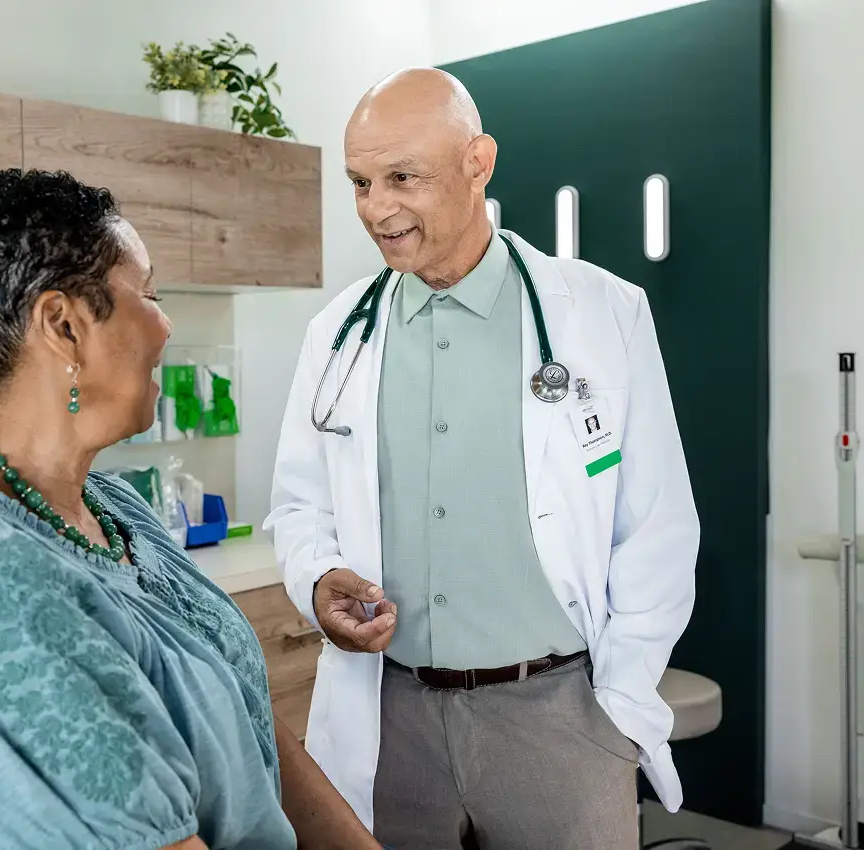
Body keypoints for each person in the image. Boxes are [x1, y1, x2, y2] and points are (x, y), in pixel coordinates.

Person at [0, 168, 381, 850]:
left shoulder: (114, 506)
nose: (166, 321)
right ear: (63, 325)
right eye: (147, 293)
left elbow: (250, 727)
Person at [266, 68, 700, 848]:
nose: (377, 208)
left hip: (560, 719)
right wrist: (317, 578)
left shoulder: (602, 312)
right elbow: (300, 505)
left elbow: (660, 527)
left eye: (403, 178)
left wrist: (619, 711)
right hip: (387, 715)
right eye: (361, 182)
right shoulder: (337, 334)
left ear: (478, 162)